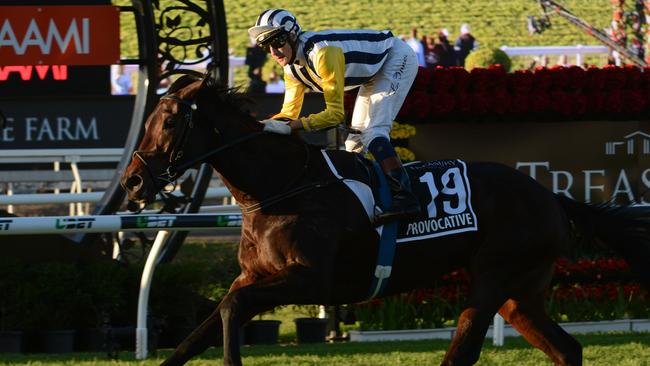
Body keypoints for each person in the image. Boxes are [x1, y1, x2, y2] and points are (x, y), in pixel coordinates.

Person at [248, 8, 421, 224]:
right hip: (375, 71)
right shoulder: (291, 68)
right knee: (353, 143)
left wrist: (293, 127)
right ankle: (364, 201)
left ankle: (406, 198)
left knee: (374, 132)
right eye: (266, 46)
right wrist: (261, 126)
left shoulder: (322, 53)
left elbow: (335, 115)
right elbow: (288, 113)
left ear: (293, 34)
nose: (274, 52)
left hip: (396, 57)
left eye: (277, 41)